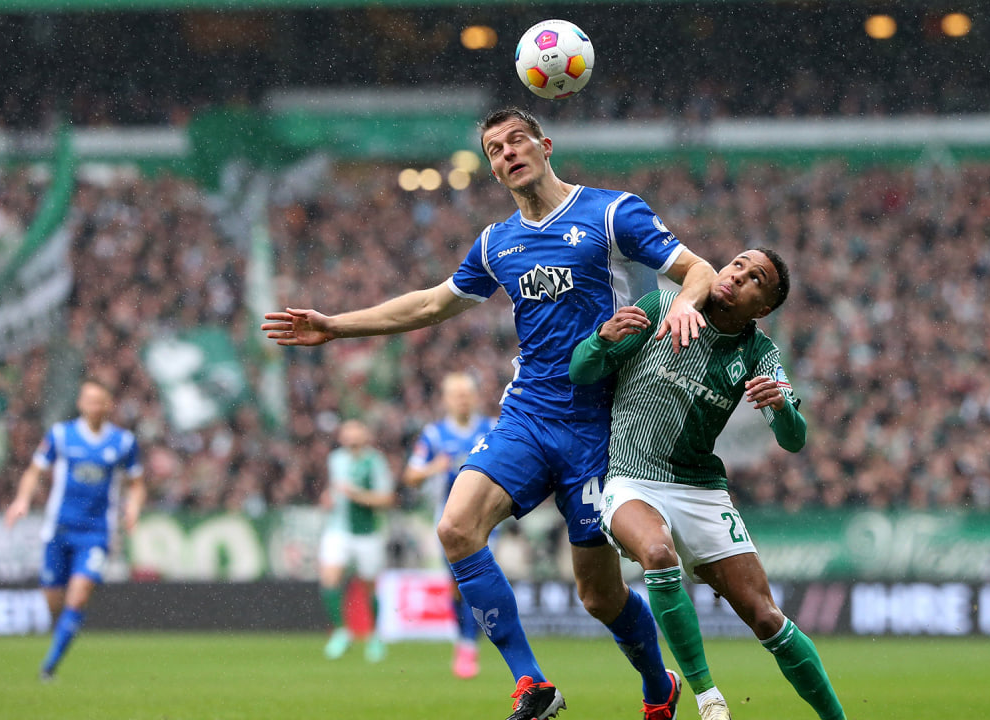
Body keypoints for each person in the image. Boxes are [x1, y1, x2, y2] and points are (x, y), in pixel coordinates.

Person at [262, 106, 716, 720]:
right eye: (495, 149)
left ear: (545, 146)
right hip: (528, 414)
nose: (507, 152)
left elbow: (699, 270)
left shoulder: (612, 212)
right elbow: (431, 304)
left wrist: (685, 304)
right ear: (494, 170)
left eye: (517, 140)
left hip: (602, 427)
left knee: (599, 596)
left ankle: (658, 686)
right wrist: (337, 326)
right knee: (455, 528)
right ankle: (533, 683)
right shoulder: (496, 242)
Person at [569, 249, 847, 720]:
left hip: (701, 490)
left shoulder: (759, 353)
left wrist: (783, 407)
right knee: (657, 554)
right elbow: (580, 371)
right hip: (632, 478)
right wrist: (600, 339)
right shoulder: (661, 306)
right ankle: (707, 697)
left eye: (755, 278)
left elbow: (794, 439)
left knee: (767, 618)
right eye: (738, 264)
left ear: (763, 307)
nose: (737, 275)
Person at [3, 379, 145, 681]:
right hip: (59, 528)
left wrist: (133, 507)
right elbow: (34, 471)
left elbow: (136, 483)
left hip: (96, 532)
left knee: (78, 596)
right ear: (80, 403)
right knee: (53, 600)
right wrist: (22, 499)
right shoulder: (61, 435)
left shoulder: (123, 442)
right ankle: (65, 628)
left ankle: (48, 667)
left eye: (99, 401)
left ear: (108, 405)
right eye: (88, 400)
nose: (93, 406)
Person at [402, 372, 499, 679]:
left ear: (476, 397)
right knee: (458, 586)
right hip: (449, 521)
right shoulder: (435, 435)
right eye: (457, 395)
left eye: (467, 394)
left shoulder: (492, 428)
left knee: (476, 583)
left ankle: (468, 645)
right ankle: (464, 639)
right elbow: (411, 476)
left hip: (485, 520)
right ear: (446, 400)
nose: (463, 400)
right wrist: (435, 467)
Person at [318, 419, 397, 663]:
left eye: (355, 432)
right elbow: (334, 490)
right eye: (347, 433)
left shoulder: (375, 461)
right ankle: (342, 631)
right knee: (329, 578)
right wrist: (327, 498)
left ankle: (374, 636)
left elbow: (386, 499)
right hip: (338, 529)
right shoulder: (336, 459)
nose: (350, 437)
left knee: (369, 585)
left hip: (368, 532)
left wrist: (357, 495)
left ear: (365, 436)